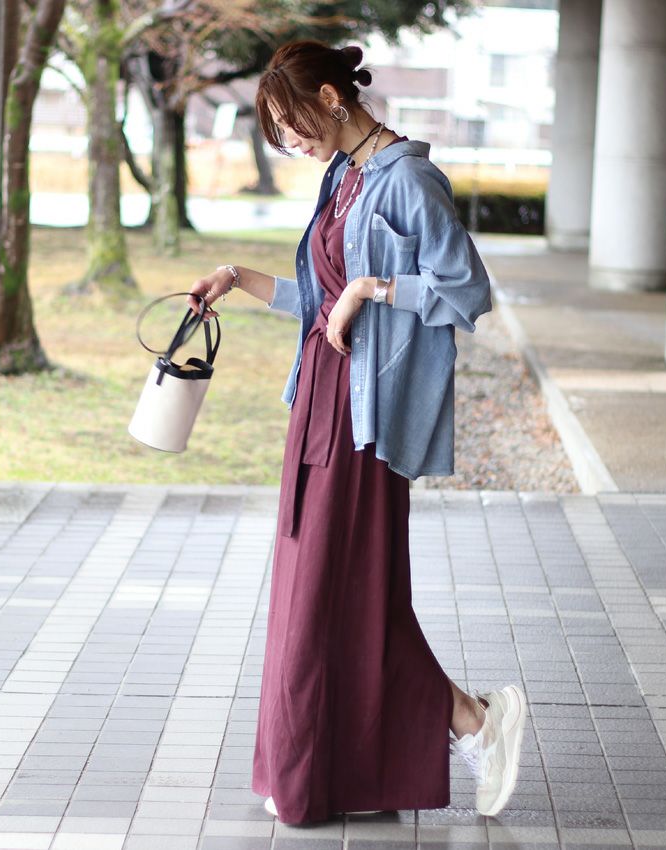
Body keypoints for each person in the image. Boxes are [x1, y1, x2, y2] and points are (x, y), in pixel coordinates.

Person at [187, 39, 527, 826]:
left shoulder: (406, 179)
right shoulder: (344, 177)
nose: (288, 141)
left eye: (291, 122)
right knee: (320, 590)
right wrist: (237, 278)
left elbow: (466, 291)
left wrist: (370, 289)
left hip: (364, 415)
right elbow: (319, 303)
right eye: (276, 131)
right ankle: (348, 767)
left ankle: (471, 722)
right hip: (319, 401)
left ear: (332, 99)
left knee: (339, 592)